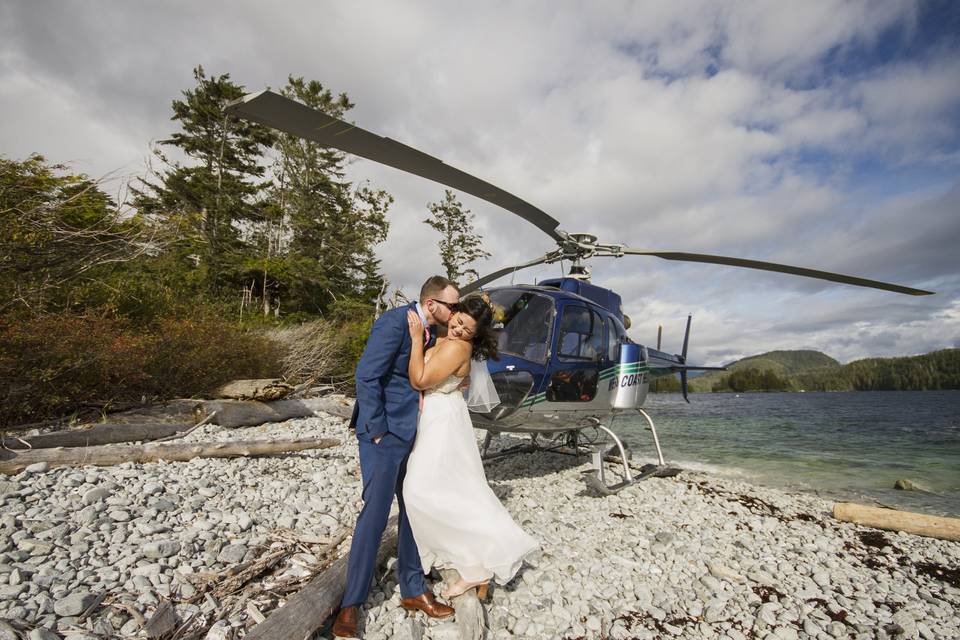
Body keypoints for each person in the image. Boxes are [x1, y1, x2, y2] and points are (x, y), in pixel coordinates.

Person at [332, 276, 460, 639]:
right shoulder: (393, 323)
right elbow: (367, 376)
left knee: (414, 510)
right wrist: (376, 430)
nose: (456, 313)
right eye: (452, 306)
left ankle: (413, 589)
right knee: (374, 513)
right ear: (432, 304)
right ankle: (351, 604)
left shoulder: (435, 332)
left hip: (418, 434)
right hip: (384, 435)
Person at [403, 295, 539, 600]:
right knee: (452, 488)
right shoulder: (450, 337)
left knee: (416, 491)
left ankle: (476, 564)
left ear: (475, 335)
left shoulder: (455, 346)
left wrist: (414, 340)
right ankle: (469, 564)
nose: (458, 330)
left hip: (442, 421)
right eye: (458, 321)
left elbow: (420, 379)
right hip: (441, 416)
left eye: (467, 329)